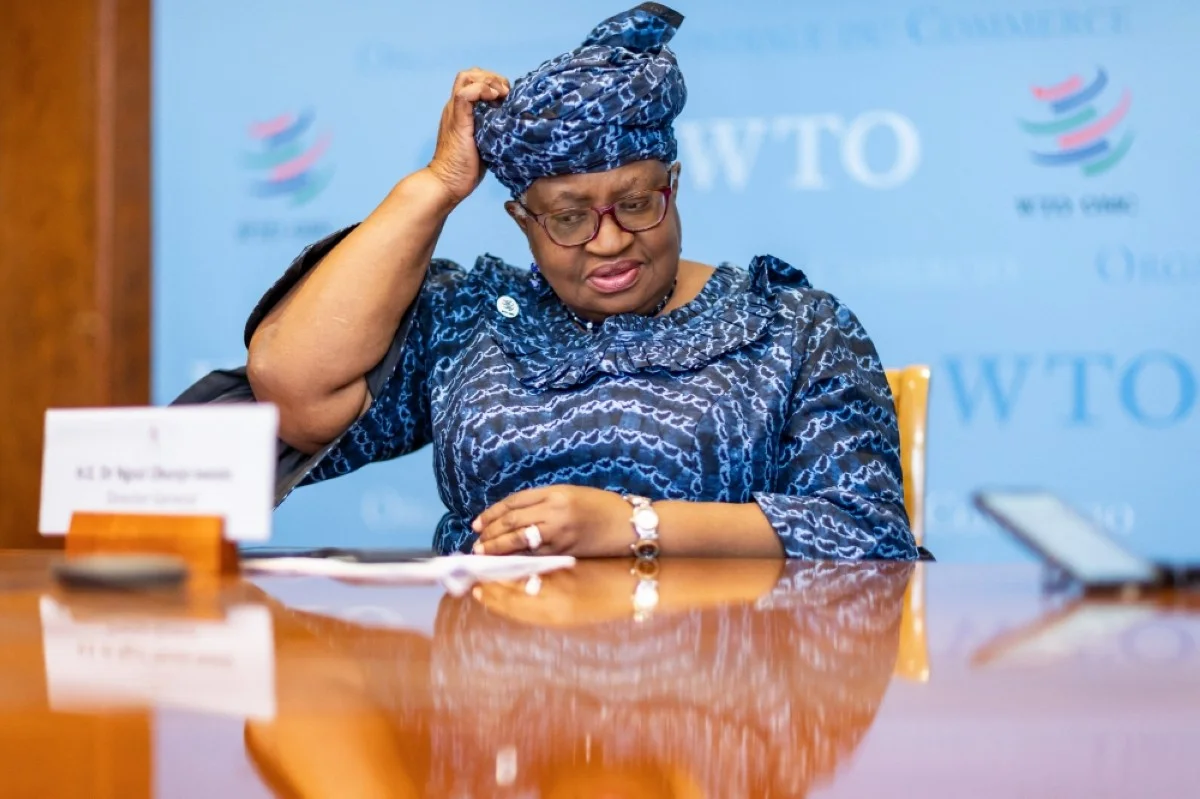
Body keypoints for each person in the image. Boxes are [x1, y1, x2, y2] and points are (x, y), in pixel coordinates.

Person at [244, 3, 917, 560]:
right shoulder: (472, 324)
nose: (610, 239)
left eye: (634, 204)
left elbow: (867, 533)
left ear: (672, 186)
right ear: (523, 220)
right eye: (568, 217)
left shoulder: (791, 328)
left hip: (719, 695)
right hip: (496, 698)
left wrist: (633, 527)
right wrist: (437, 186)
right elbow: (295, 392)